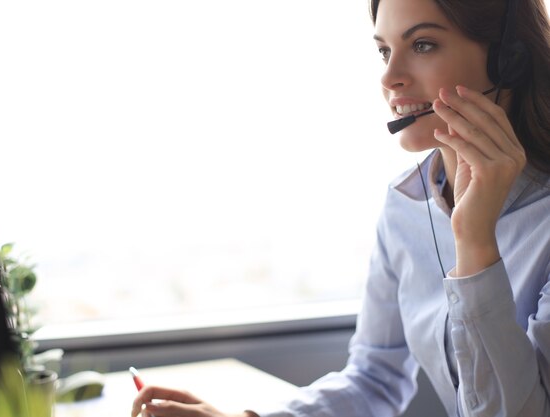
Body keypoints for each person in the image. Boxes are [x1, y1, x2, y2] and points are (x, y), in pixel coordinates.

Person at [132, 0, 550, 415]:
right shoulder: (406, 206)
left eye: (423, 45)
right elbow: (374, 378)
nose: (390, 77)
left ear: (507, 60)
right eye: (384, 51)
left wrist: (475, 243)